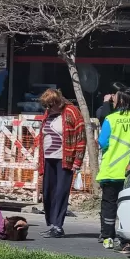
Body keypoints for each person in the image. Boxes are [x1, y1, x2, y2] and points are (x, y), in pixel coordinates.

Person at [97, 86, 130, 254]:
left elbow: (102, 142)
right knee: (128, 205)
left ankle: (108, 237)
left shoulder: (111, 119)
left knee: (109, 205)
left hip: (112, 169)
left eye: (114, 99)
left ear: (119, 101)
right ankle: (127, 239)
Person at [37, 89, 85, 238]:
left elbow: (80, 137)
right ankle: (51, 224)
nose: (48, 109)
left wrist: (77, 160)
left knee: (60, 192)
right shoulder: (49, 114)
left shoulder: (72, 112)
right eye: (46, 106)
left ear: (57, 102)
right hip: (48, 158)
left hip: (64, 159)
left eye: (50, 106)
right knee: (48, 191)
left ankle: (58, 226)